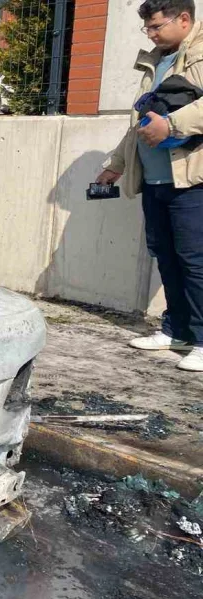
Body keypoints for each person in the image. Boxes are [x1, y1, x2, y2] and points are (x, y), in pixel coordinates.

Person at [96, 0, 203, 372]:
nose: (152, 34)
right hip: (156, 178)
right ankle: (177, 331)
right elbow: (140, 123)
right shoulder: (157, 60)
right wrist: (116, 164)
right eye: (148, 28)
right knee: (167, 256)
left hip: (191, 178)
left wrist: (172, 127)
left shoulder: (200, 53)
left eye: (156, 26)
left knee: (195, 259)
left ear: (184, 18)